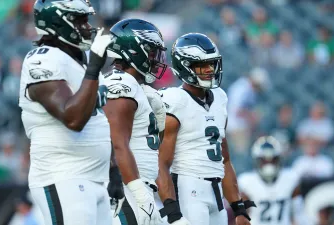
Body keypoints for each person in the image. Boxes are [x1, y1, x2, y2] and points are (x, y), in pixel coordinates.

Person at [18, 0, 114, 224]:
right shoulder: (42, 59)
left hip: (95, 178)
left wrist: (114, 169)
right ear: (57, 24)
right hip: (64, 176)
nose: (87, 27)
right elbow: (73, 119)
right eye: (79, 21)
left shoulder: (82, 59)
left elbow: (98, 120)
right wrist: (93, 70)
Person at [157, 33, 254, 225]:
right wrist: (171, 210)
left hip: (216, 190)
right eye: (202, 65)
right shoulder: (175, 100)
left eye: (212, 63)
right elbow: (160, 163)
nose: (210, 70)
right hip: (188, 188)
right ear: (184, 66)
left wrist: (238, 208)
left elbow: (224, 159)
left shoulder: (220, 98)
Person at [102, 18, 178, 225]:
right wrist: (138, 193)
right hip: (126, 189)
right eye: (153, 53)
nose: (158, 60)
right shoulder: (121, 84)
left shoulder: (140, 89)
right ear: (134, 50)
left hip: (140, 188)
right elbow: (115, 142)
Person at [238, 136, 311, 225]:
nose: (269, 165)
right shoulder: (246, 182)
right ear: (257, 160)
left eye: (272, 160)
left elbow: (298, 213)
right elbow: (241, 217)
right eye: (264, 161)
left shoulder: (290, 178)